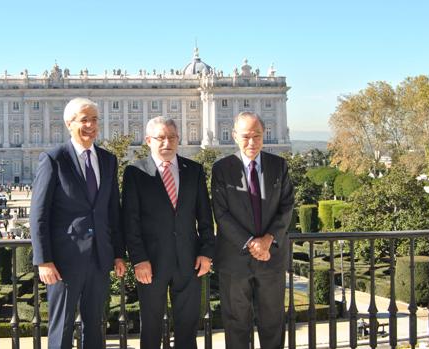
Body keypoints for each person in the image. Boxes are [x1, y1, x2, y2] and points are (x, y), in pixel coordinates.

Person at [30, 97, 126, 349]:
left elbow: (112, 210)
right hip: (63, 261)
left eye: (94, 120)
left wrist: (118, 253)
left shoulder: (108, 159)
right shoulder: (54, 159)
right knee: (61, 326)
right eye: (84, 120)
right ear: (69, 123)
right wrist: (43, 260)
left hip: (99, 258)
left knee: (94, 326)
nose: (91, 125)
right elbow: (39, 213)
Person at [122, 116, 215, 349]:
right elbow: (130, 221)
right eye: (160, 138)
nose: (167, 143)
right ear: (148, 141)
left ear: (178, 139)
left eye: (172, 137)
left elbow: (205, 217)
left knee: (187, 328)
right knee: (151, 329)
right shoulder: (135, 171)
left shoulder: (194, 170)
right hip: (150, 263)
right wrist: (138, 259)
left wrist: (206, 252)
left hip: (189, 261)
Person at [211, 112, 294, 349]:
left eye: (257, 135)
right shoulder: (221, 168)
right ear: (235, 136)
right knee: (236, 325)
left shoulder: (279, 166)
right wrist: (250, 243)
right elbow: (221, 214)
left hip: (272, 258)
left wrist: (268, 239)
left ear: (264, 135)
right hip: (235, 261)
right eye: (246, 136)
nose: (252, 142)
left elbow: (287, 206)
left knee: (273, 324)